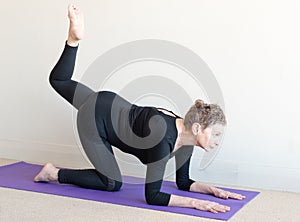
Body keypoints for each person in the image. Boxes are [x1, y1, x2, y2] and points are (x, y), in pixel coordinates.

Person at [34, 4, 245, 214]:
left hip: (107, 101)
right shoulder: (164, 139)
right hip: (95, 118)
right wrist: (195, 203)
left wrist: (211, 191)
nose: (218, 140)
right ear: (198, 128)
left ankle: (73, 40)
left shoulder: (187, 137)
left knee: (59, 80)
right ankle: (54, 174)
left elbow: (183, 182)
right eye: (215, 134)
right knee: (111, 183)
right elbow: (153, 196)